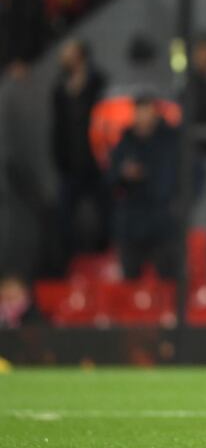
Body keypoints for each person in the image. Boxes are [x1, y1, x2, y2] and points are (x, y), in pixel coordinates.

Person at [51, 39, 110, 268]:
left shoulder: (98, 83)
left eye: (69, 54)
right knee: (64, 214)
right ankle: (70, 260)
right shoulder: (60, 88)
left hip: (95, 161)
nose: (65, 59)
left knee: (105, 212)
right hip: (70, 163)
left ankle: (104, 256)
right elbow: (58, 127)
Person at [108, 93, 179, 280]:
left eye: (147, 111)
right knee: (130, 281)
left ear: (155, 113)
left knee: (169, 281)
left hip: (164, 221)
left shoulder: (171, 141)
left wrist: (178, 204)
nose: (143, 117)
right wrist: (123, 174)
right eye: (139, 112)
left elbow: (190, 175)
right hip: (132, 222)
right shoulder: (125, 142)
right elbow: (109, 179)